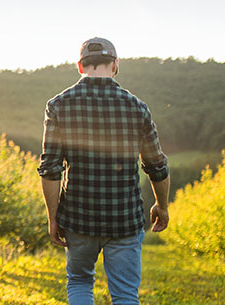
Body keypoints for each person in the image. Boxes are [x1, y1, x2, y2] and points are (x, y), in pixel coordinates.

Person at [37, 37, 171, 305]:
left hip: (78, 217)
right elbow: (156, 165)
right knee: (125, 295)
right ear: (115, 65)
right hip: (124, 219)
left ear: (80, 66)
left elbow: (50, 168)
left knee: (79, 282)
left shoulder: (58, 105)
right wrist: (161, 205)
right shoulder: (137, 108)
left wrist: (54, 217)